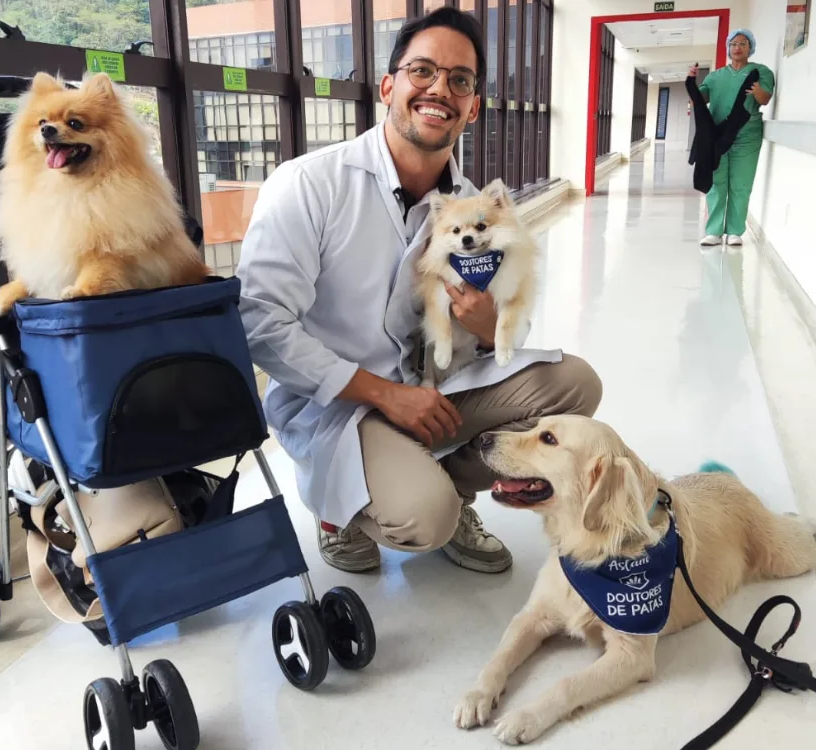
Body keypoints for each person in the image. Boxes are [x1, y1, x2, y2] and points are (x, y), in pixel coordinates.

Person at [235, 8, 602, 574]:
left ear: (474, 106)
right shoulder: (309, 185)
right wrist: (383, 394)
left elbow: (512, 320)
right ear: (389, 86)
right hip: (342, 403)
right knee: (421, 520)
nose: (440, 90)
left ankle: (453, 497)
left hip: (437, 387)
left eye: (460, 80)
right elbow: (260, 325)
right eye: (422, 71)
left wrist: (486, 325)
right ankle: (348, 513)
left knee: (575, 387)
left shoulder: (477, 208)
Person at [688, 29, 775, 247]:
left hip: (747, 136)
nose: (737, 48)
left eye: (743, 44)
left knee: (741, 184)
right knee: (717, 183)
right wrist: (691, 82)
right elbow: (701, 97)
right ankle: (714, 231)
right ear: (728, 48)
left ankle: (735, 231)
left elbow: (765, 99)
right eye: (733, 44)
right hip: (718, 137)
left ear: (750, 48)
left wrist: (756, 91)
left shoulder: (761, 71)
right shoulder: (715, 76)